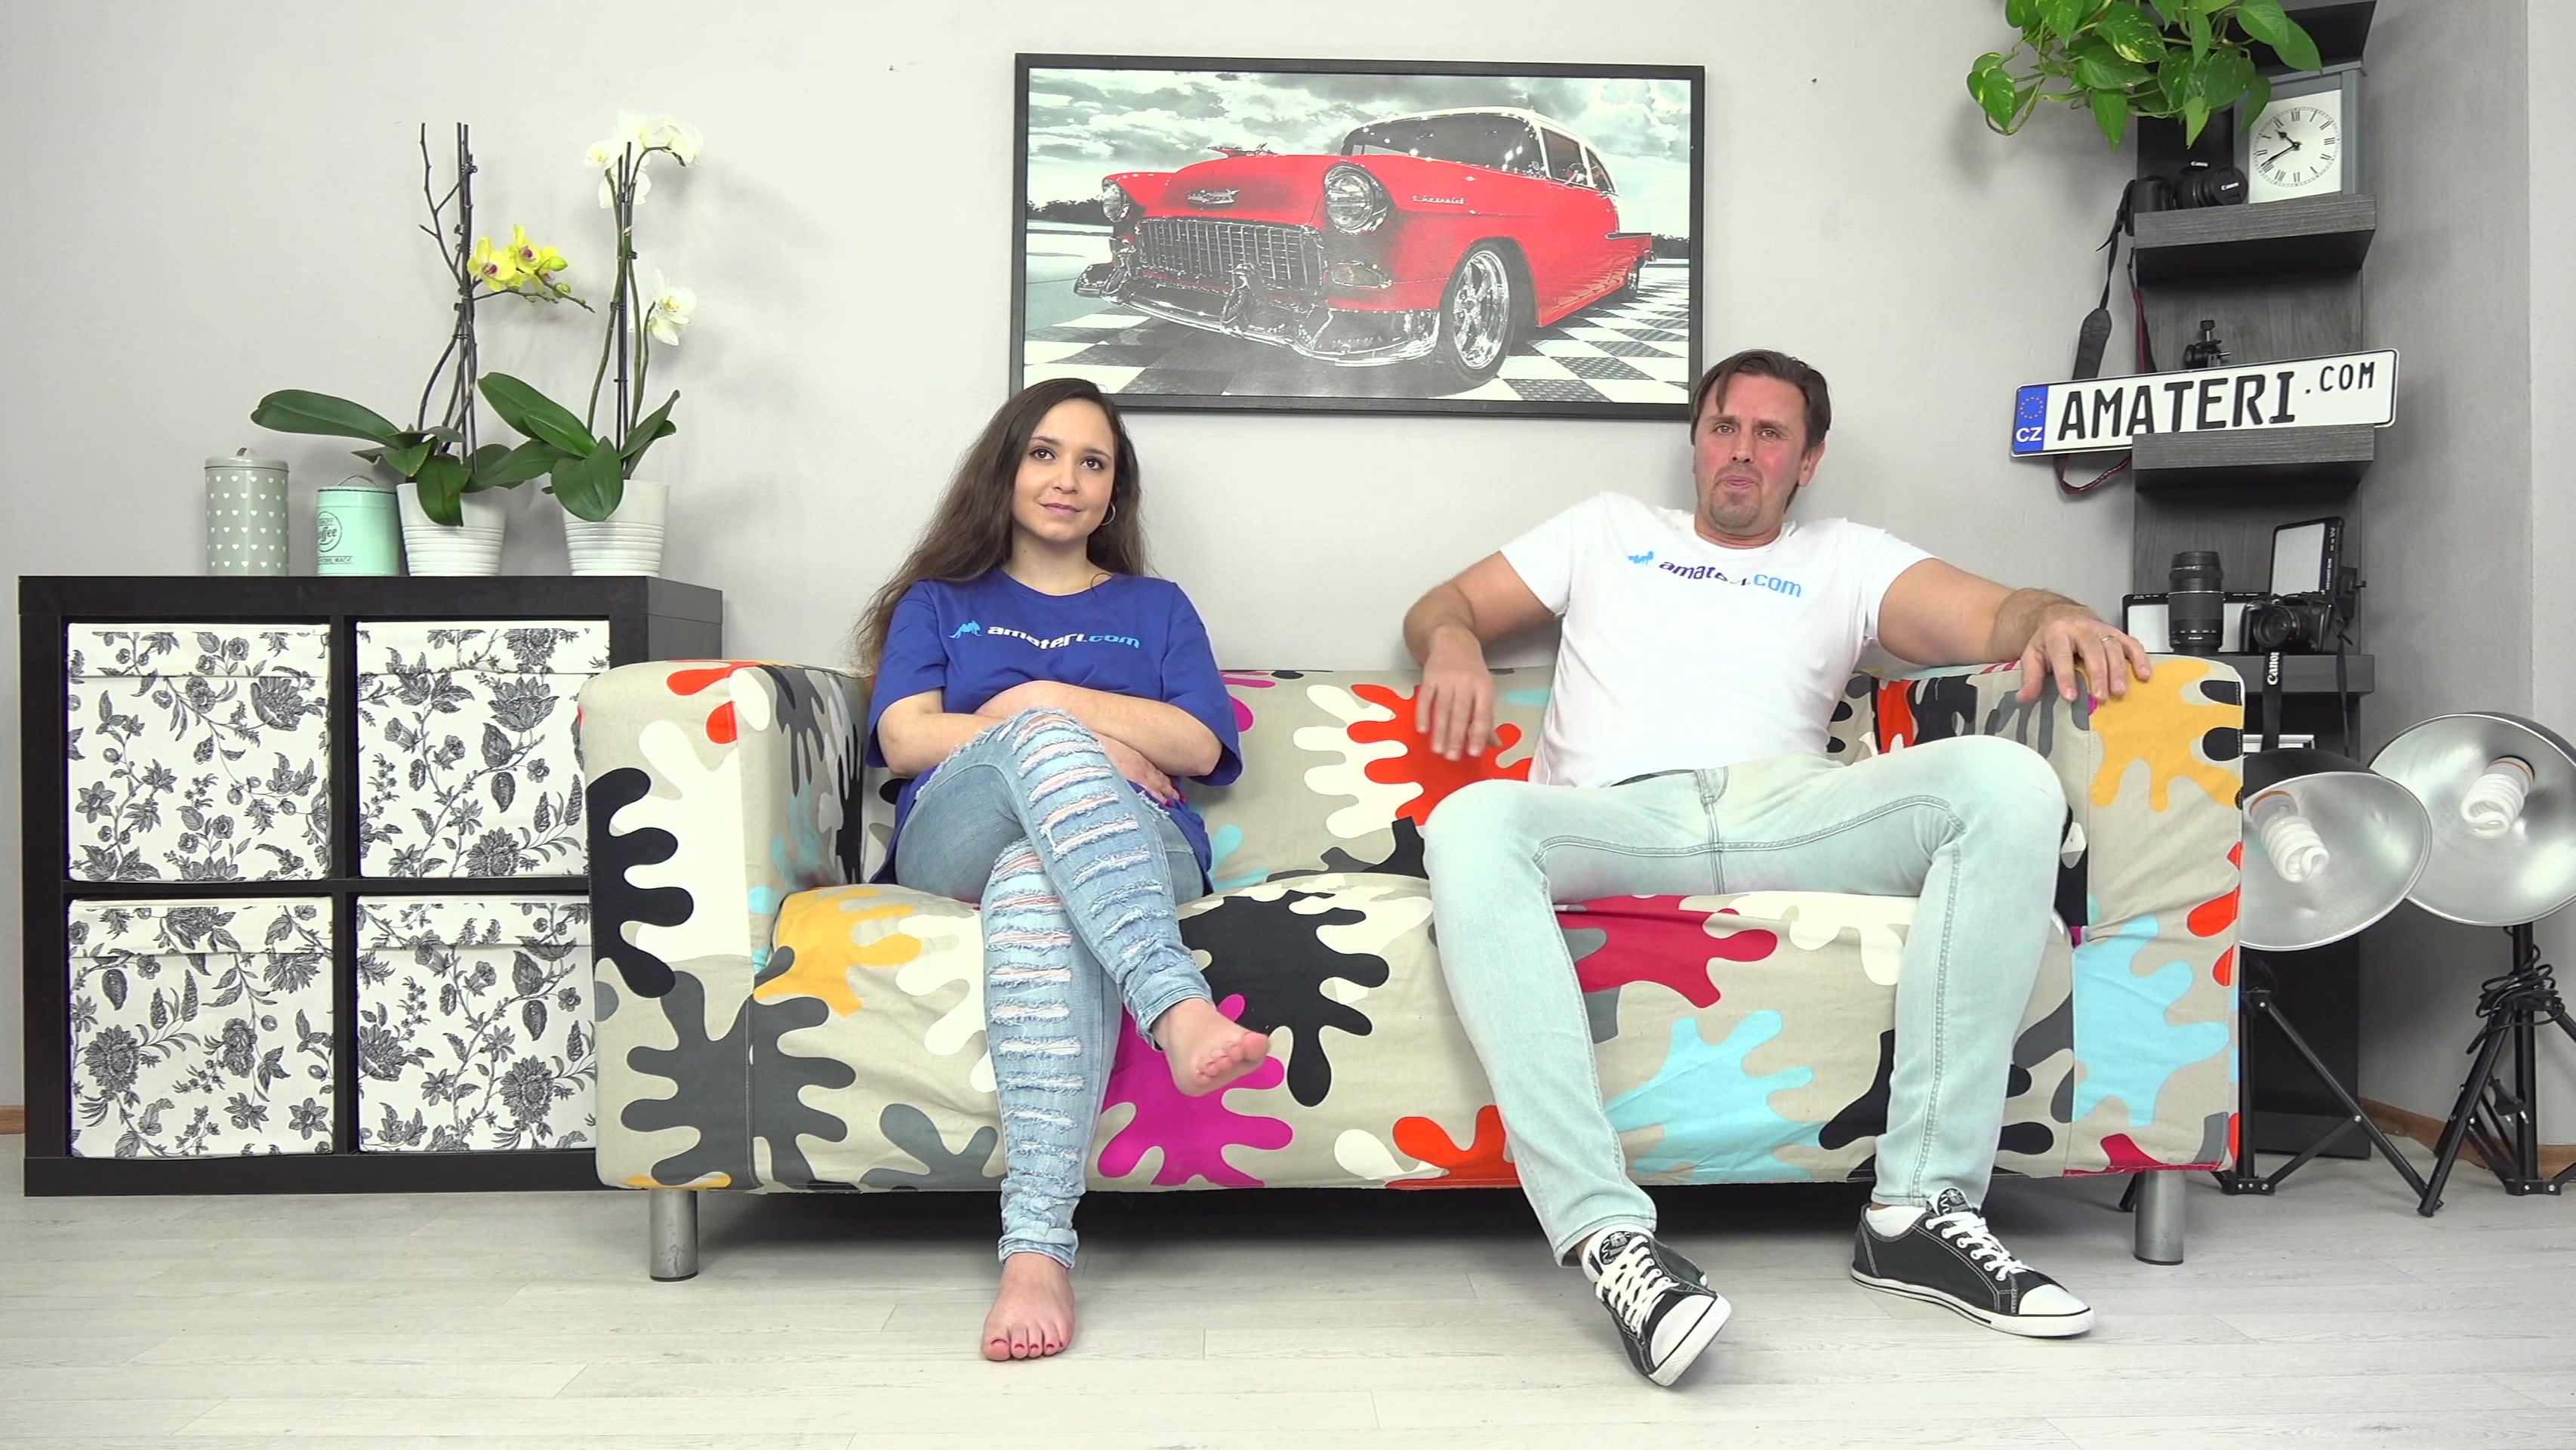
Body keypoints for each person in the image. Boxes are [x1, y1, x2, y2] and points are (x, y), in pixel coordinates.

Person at [1405, 348, 2147, 1387]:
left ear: (1809, 458)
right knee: (1473, 823)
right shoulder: (1605, 529)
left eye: (1770, 433)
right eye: (1724, 427)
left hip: (1789, 809)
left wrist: (2059, 616)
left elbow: (2000, 615)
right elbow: (1443, 602)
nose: (1742, 451)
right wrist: (1451, 642)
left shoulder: (1847, 558)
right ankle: (1611, 1239)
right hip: (1617, 816)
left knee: (2010, 785)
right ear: (1696, 442)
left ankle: (1920, 1213)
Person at [860, 377, 1269, 1363]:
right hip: (957, 829)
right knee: (1041, 740)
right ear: (1005, 469)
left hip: (1136, 845)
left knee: (1034, 882)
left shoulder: (1155, 608)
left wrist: (1047, 704)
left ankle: (1037, 1250)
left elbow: (1200, 745)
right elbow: (906, 737)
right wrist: (1060, 726)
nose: (1067, 479)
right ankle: (1176, 1004)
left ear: (1114, 491)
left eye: (1094, 463)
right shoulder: (939, 603)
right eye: (1045, 453)